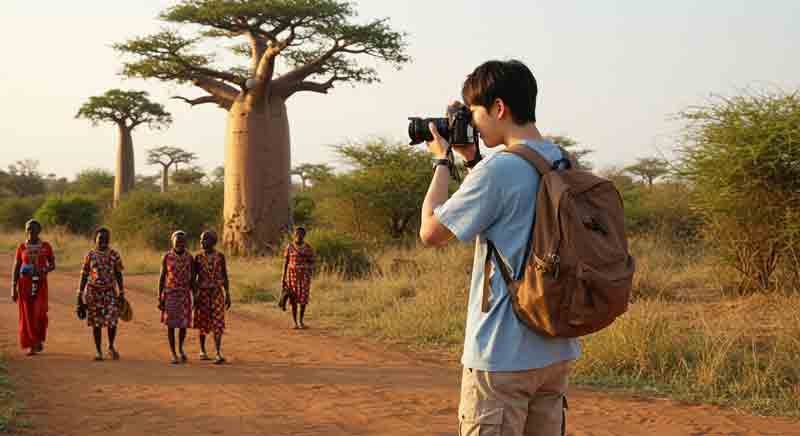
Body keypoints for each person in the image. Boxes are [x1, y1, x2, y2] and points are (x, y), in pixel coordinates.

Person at [418, 60, 581, 436]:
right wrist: (473, 160)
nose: (472, 122)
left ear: (499, 108)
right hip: (555, 347)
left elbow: (431, 232)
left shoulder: (499, 171)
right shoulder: (562, 160)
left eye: (474, 112)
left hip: (501, 355)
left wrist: (441, 161)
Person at [77, 227, 125, 361]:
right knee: (96, 323)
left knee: (112, 321)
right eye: (100, 239)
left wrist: (121, 292)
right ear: (95, 240)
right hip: (94, 292)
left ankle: (110, 346)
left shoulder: (114, 255)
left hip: (110, 291)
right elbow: (84, 275)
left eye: (106, 239)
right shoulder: (90, 255)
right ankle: (98, 351)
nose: (103, 241)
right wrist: (79, 294)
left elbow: (118, 273)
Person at [10, 219, 55, 356]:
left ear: (39, 231)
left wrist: (45, 270)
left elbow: (52, 264)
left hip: (40, 284)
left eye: (34, 229)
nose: (31, 232)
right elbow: (17, 267)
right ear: (26, 230)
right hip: (24, 285)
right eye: (29, 229)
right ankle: (32, 344)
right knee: (27, 315)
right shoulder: (21, 247)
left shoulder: (46, 246)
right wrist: (13, 286)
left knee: (39, 313)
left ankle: (38, 339)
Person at [193, 230, 231, 364]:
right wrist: (195, 295)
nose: (202, 242)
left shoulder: (220, 256)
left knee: (218, 322)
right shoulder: (197, 257)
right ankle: (202, 350)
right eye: (201, 239)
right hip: (202, 293)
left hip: (217, 292)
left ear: (213, 242)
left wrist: (228, 294)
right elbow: (194, 278)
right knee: (203, 321)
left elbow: (225, 276)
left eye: (205, 240)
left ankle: (218, 352)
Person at [158, 230, 195, 364]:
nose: (180, 243)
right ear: (172, 241)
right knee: (171, 325)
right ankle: (173, 352)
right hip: (171, 294)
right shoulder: (167, 256)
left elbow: (193, 279)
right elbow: (162, 277)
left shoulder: (190, 257)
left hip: (185, 294)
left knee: (183, 324)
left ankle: (180, 349)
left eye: (182, 241)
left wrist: (194, 296)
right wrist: (160, 296)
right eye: (177, 241)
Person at [280, 227, 315, 329]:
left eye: (301, 234)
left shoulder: (308, 248)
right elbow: (286, 262)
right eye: (297, 233)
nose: (299, 235)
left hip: (304, 276)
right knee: (293, 299)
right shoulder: (289, 247)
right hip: (292, 276)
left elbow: (312, 261)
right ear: (294, 235)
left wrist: (307, 268)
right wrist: (283, 278)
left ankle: (301, 321)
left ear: (304, 235)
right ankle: (295, 322)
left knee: (303, 299)